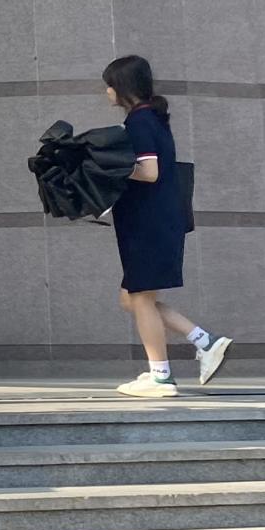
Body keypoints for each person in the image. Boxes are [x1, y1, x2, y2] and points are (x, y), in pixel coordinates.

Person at [103, 55, 233, 396]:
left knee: (140, 298)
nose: (106, 92)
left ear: (121, 87)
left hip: (148, 225)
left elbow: (149, 172)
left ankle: (160, 375)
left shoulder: (139, 122)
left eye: (109, 86)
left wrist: (109, 170)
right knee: (132, 299)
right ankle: (204, 341)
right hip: (157, 223)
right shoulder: (152, 118)